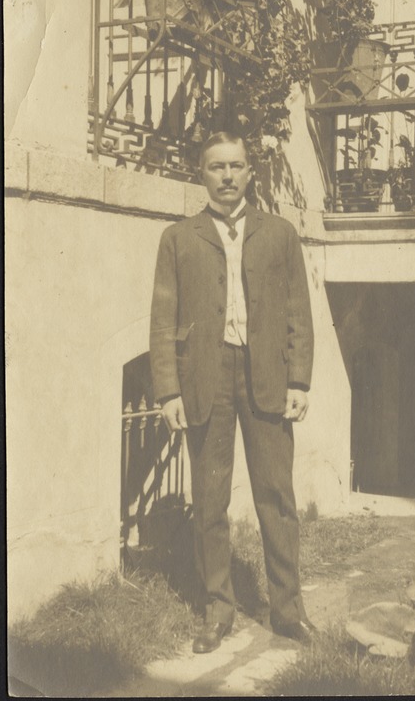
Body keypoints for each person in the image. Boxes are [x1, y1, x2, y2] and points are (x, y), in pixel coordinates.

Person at [150, 131, 315, 654]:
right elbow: (163, 321)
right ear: (201, 174)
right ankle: (217, 609)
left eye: (236, 166)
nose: (227, 176)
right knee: (210, 502)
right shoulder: (178, 238)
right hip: (206, 378)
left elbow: (298, 311)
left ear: (250, 172)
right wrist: (168, 391)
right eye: (216, 167)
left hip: (266, 374)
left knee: (277, 497)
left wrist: (299, 380)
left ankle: (288, 612)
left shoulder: (281, 233)